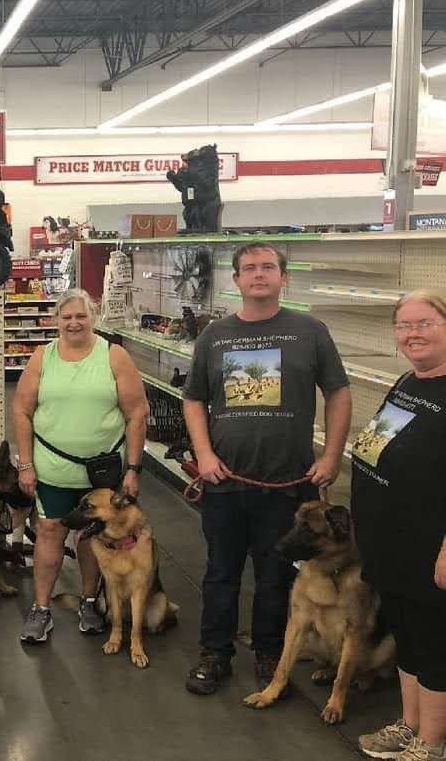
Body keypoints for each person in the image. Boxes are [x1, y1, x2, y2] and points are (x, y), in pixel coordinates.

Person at [182, 241, 351, 696]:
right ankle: (215, 652)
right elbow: (194, 397)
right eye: (250, 268)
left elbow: (338, 392)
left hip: (287, 484)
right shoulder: (214, 335)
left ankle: (268, 653)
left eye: (268, 267)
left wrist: (331, 455)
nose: (259, 274)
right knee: (221, 572)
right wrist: (205, 454)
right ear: (235, 279)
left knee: (276, 575)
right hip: (225, 480)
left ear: (283, 277)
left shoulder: (310, 331)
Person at [12, 288, 148, 643]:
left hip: (103, 474)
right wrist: (25, 464)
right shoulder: (43, 357)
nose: (74, 323)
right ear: (57, 320)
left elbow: (136, 413)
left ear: (93, 317)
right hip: (53, 469)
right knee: (49, 531)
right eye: (67, 316)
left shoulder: (113, 356)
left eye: (81, 316)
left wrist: (133, 468)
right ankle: (41, 609)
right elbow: (21, 411)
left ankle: (90, 601)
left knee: (93, 535)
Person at [353, 289, 446, 761]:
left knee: (434, 644)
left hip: (429, 547)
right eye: (404, 325)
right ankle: (409, 724)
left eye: (425, 323)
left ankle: (431, 743)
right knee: (406, 636)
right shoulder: (409, 382)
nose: (413, 333)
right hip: (390, 543)